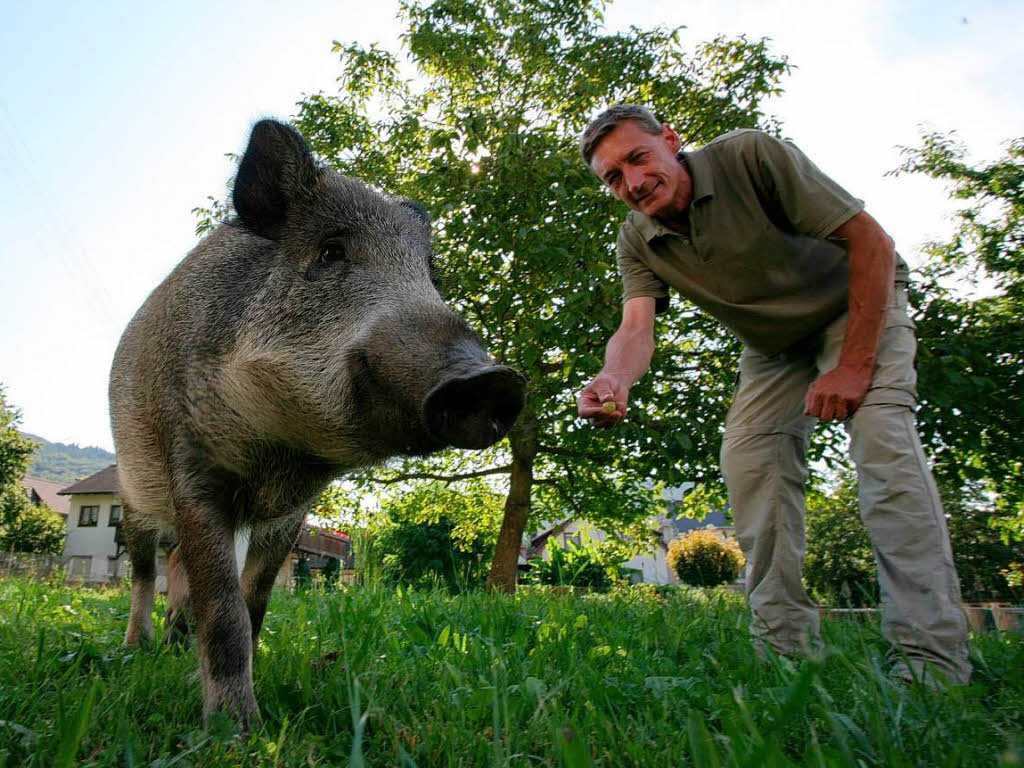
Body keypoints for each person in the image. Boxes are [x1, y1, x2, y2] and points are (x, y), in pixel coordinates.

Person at [576, 104, 971, 685]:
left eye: (638, 158)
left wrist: (855, 366)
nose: (633, 182)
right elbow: (636, 329)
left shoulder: (749, 157)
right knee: (750, 462)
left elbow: (871, 241)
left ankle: (930, 663)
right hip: (774, 345)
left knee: (883, 449)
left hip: (858, 304)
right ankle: (786, 655)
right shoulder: (639, 239)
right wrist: (615, 379)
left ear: (671, 141)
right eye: (614, 177)